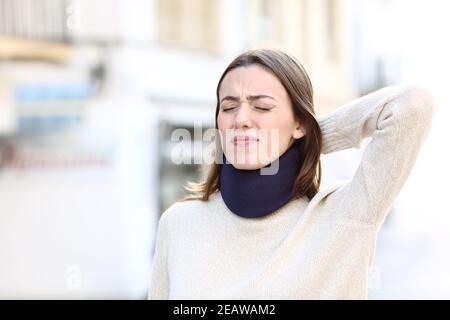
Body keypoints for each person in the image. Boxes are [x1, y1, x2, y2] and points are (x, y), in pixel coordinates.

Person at [147, 49, 435, 299]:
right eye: (228, 107)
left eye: (261, 107)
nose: (241, 120)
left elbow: (412, 106)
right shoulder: (179, 224)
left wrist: (311, 137)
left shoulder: (344, 217)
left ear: (299, 122)